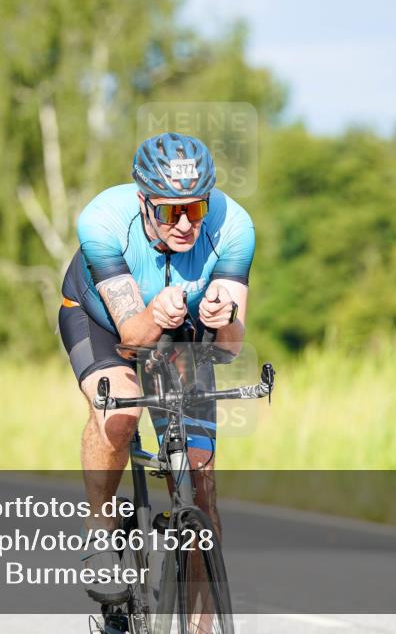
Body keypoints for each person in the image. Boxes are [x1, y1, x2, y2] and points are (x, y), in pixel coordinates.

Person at [58, 132, 255, 604]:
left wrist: (223, 318)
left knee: (200, 480)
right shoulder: (103, 221)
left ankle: (200, 617)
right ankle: (101, 530)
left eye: (197, 207)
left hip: (178, 327)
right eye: (171, 211)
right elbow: (131, 339)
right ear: (144, 201)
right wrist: (152, 316)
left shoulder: (234, 226)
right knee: (119, 415)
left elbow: (228, 349)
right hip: (102, 319)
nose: (187, 224)